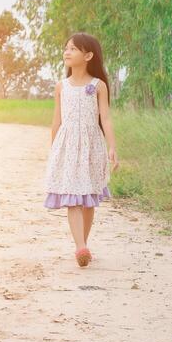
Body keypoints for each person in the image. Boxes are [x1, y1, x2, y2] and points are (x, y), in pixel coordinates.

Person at [43, 32, 119, 267]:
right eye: (66, 48)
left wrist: (112, 147)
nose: (67, 52)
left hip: (91, 146)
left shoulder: (98, 86)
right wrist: (54, 150)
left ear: (88, 55)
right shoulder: (61, 86)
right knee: (73, 198)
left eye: (73, 49)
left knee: (87, 198)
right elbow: (56, 121)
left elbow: (105, 118)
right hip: (67, 146)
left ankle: (83, 244)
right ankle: (80, 247)